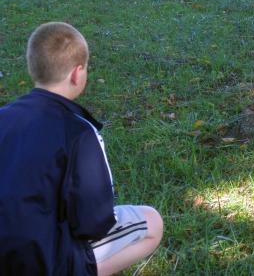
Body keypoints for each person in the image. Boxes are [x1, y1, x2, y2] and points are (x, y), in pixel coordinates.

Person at [0, 22, 163, 276]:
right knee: (152, 222)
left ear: (33, 67)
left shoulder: (3, 116)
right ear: (77, 74)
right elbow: (95, 223)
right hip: (41, 260)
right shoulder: (80, 132)